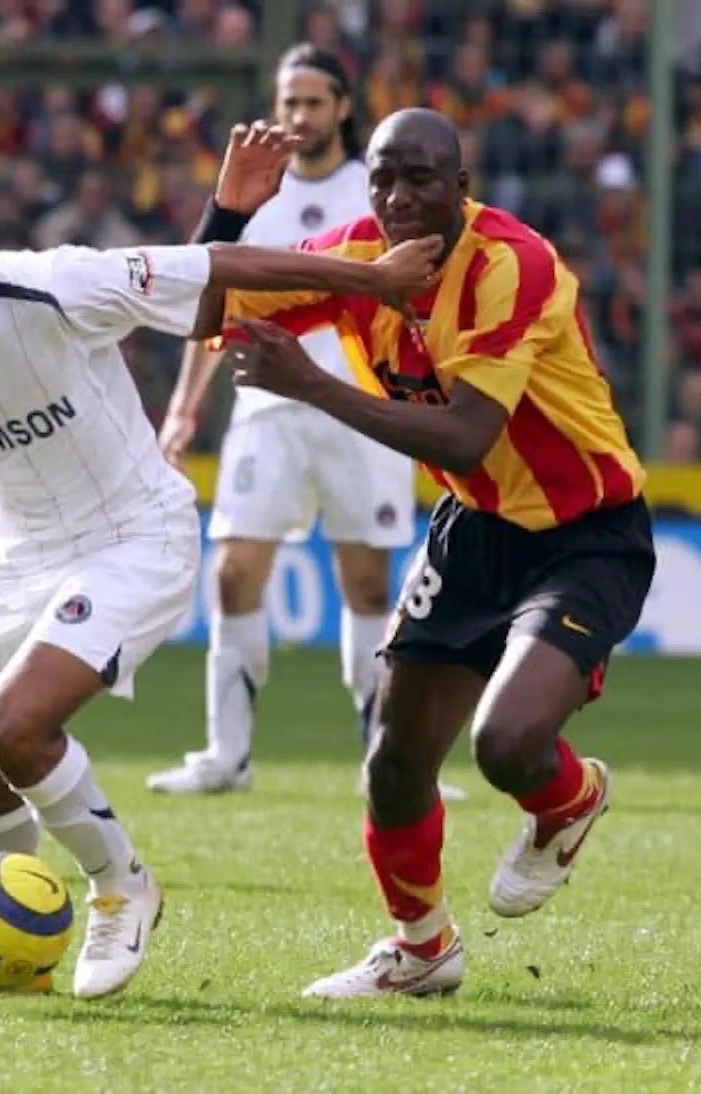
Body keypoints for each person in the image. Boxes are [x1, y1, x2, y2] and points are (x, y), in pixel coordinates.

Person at [0, 176, 440, 999]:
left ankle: (123, 886)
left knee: (15, 729)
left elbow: (215, 264)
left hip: (133, 537)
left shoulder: (54, 285)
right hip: (17, 559)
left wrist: (369, 278)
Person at [214, 108, 656, 998]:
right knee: (394, 766)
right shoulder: (356, 258)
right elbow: (200, 308)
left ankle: (568, 798)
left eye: (419, 179)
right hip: (474, 530)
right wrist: (227, 214)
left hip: (586, 534)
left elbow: (463, 435)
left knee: (507, 744)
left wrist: (310, 385)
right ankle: (422, 951)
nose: (397, 198)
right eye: (382, 179)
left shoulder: (513, 264)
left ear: (461, 186)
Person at [146, 44, 465, 801]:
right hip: (268, 404)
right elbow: (218, 302)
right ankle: (227, 755)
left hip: (362, 405)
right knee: (233, 571)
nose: (298, 116)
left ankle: (387, 759)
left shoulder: (376, 189)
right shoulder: (257, 192)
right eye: (288, 102)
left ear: (343, 108)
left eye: (313, 102)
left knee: (367, 583)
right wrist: (185, 406)